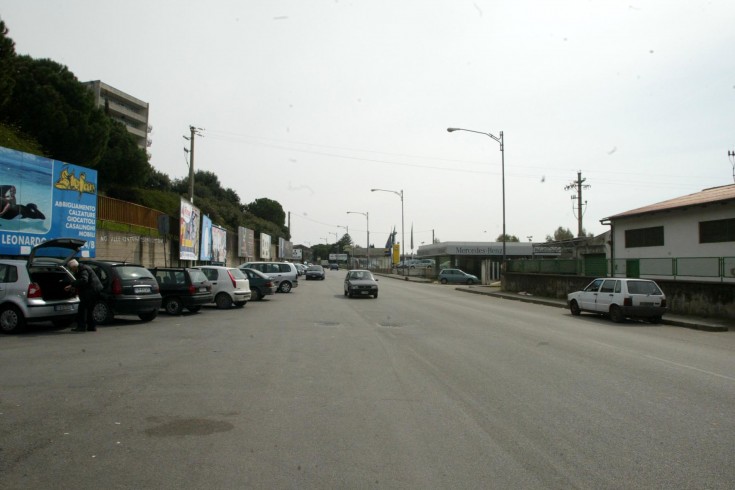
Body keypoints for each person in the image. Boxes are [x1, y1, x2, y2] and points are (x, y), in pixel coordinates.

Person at [65, 259, 103, 332]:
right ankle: (91, 327)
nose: (71, 270)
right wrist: (74, 287)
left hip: (91, 291)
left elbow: (84, 280)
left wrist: (72, 285)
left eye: (71, 269)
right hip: (95, 290)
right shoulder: (83, 268)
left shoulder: (83, 269)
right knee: (90, 309)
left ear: (74, 267)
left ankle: (81, 327)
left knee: (82, 309)